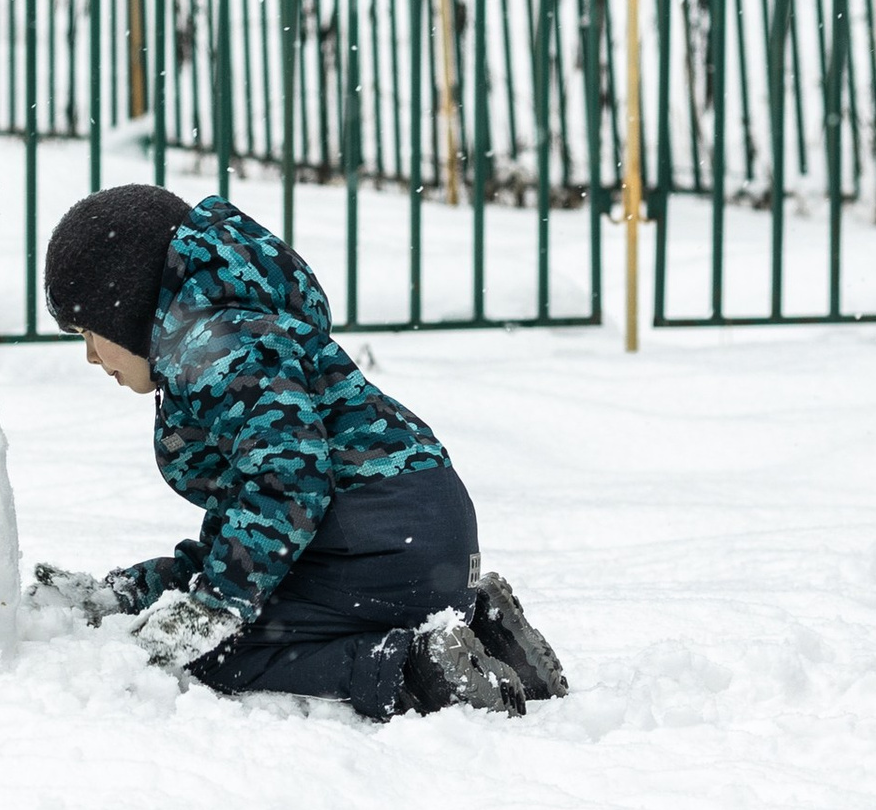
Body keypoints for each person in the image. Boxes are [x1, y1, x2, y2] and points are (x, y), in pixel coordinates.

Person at [30, 184, 568, 722]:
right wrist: (131, 593)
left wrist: (213, 611)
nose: (92, 357)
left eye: (90, 333)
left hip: (378, 539)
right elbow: (246, 522)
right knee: (253, 597)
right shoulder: (228, 331)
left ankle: (413, 669)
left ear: (128, 304)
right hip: (418, 532)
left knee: (217, 652)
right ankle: (484, 634)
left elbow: (286, 484)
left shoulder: (217, 348)